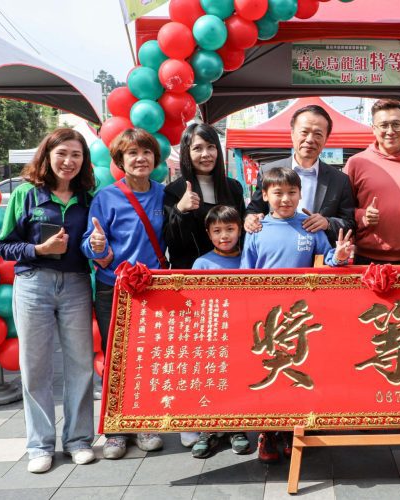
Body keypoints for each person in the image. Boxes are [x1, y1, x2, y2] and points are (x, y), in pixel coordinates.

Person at [0, 129, 97, 473]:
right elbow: (4, 245)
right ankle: (39, 445)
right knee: (35, 366)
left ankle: (78, 440)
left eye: (76, 154)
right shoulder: (25, 194)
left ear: (84, 160)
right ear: (47, 155)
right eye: (62, 153)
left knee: (80, 364)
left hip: (76, 285)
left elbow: (94, 239)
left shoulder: (88, 197)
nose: (69, 161)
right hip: (33, 285)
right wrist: (38, 249)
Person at [240, 166, 353, 462]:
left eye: (292, 192)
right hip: (266, 319)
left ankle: (293, 430)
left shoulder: (309, 226)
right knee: (266, 374)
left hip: (299, 319)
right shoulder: (257, 229)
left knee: (296, 374)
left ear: (301, 194)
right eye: (277, 193)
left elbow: (327, 258)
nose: (285, 199)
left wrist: (340, 256)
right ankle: (267, 432)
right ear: (265, 196)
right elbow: (244, 273)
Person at [81, 128, 167, 460]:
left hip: (153, 288)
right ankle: (116, 430)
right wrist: (96, 245)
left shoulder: (164, 195)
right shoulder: (106, 198)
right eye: (132, 153)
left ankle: (145, 422)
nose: (140, 158)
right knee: (116, 355)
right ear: (119, 160)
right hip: (113, 287)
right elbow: (89, 244)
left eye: (146, 152)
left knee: (147, 355)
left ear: (155, 158)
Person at [180, 205, 252, 458]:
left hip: (242, 332)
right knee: (211, 381)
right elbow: (194, 302)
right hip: (212, 334)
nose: (224, 236)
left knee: (237, 380)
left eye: (230, 229)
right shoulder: (202, 263)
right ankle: (208, 429)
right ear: (208, 234)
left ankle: (236, 428)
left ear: (240, 230)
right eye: (217, 230)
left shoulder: (249, 260)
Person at [244, 104, 355, 246]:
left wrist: (327, 223)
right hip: (277, 251)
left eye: (318, 134)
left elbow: (349, 223)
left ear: (326, 139)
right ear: (292, 134)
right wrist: (250, 218)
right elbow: (254, 209)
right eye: (304, 132)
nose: (310, 139)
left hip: (321, 255)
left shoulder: (339, 180)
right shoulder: (268, 171)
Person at [344, 99, 400, 264]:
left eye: (396, 124)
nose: (390, 131)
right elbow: (343, 209)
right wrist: (363, 215)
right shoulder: (356, 163)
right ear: (373, 128)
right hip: (366, 257)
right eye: (384, 125)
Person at [164, 123, 246, 270]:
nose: (206, 154)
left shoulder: (233, 188)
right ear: (187, 152)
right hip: (191, 275)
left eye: (211, 147)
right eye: (197, 148)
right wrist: (180, 210)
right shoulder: (175, 191)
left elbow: (244, 232)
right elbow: (171, 242)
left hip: (230, 272)